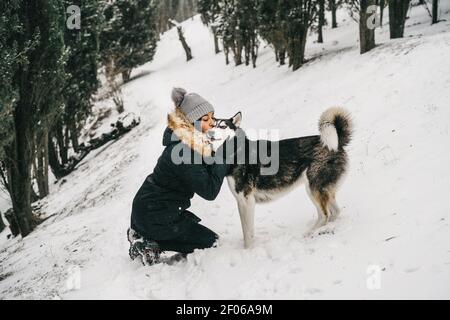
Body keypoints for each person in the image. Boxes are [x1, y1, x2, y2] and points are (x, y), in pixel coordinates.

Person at [127, 87, 232, 265]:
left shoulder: (189, 142)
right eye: (205, 119)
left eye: (213, 117)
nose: (212, 123)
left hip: (151, 210)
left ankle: (142, 232)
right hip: (156, 215)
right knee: (211, 243)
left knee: (204, 240)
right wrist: (225, 156)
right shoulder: (183, 151)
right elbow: (209, 191)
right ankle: (146, 241)